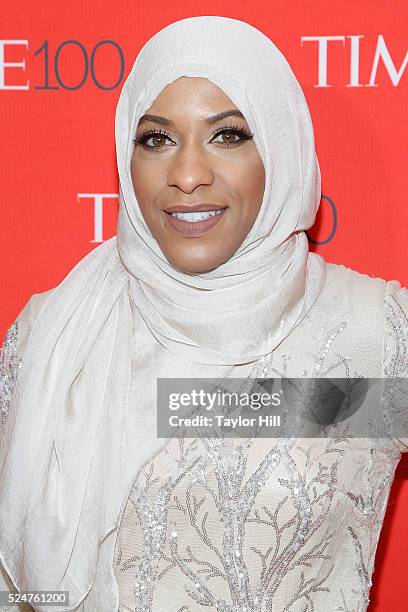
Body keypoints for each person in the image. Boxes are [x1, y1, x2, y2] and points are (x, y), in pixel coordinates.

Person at [0, 15, 407, 612]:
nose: (188, 175)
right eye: (156, 139)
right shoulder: (56, 333)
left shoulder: (374, 333)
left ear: (280, 146)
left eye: (228, 135)